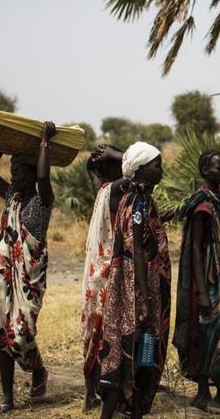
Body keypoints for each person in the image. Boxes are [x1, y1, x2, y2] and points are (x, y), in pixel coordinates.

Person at [0, 122, 57, 413]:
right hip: (1, 278)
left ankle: (37, 370)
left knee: (21, 333)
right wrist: (4, 140)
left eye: (21, 170)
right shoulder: (11, 197)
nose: (15, 175)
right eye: (13, 170)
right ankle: (8, 399)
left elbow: (42, 175)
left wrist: (44, 141)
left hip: (28, 280)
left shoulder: (42, 202)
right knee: (2, 333)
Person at [99, 142, 170, 419]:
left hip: (131, 285)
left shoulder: (133, 198)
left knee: (137, 355)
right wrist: (147, 297)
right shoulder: (139, 200)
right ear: (140, 170)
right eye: (156, 165)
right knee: (135, 356)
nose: (160, 169)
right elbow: (136, 249)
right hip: (139, 288)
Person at [172, 150, 220, 413]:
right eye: (218, 168)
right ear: (204, 171)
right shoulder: (202, 204)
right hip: (209, 279)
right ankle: (203, 394)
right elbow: (194, 248)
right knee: (206, 335)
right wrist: (202, 292)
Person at [81, 144, 124, 412]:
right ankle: (108, 389)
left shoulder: (100, 189)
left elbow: (91, 170)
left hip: (93, 274)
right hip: (109, 272)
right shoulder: (115, 189)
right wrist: (116, 155)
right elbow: (135, 166)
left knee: (92, 333)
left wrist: (96, 159)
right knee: (109, 333)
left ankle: (90, 392)